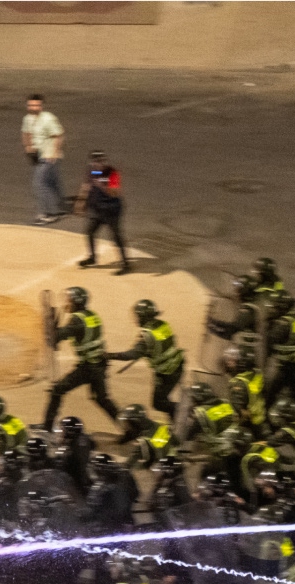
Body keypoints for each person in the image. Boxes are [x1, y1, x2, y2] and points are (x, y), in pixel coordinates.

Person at [42, 285, 120, 429]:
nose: (66, 303)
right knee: (102, 399)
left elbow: (57, 337)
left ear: (75, 303)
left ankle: (47, 427)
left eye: (68, 300)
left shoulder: (77, 320)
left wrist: (50, 325)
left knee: (57, 390)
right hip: (100, 364)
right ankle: (130, 429)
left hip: (88, 367)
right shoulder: (92, 315)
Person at [107, 299, 185, 417]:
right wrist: (149, 351)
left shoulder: (147, 336)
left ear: (143, 317)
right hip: (178, 364)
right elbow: (162, 343)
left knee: (159, 403)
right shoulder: (162, 324)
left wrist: (109, 355)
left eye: (137, 316)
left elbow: (131, 355)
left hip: (167, 372)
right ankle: (176, 419)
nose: (136, 318)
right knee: (164, 398)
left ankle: (186, 411)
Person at [75, 151, 128, 273]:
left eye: (102, 161)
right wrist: (80, 203)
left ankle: (126, 264)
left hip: (111, 210)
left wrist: (103, 186)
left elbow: (116, 192)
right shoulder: (94, 171)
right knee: (89, 232)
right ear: (93, 162)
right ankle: (92, 258)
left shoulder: (111, 173)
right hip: (97, 210)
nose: (100, 164)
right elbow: (87, 185)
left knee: (116, 236)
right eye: (97, 161)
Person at [262, 293, 295, 412]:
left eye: (276, 307)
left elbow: (272, 339)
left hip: (288, 365)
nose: (273, 309)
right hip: (294, 362)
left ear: (283, 308)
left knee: (273, 392)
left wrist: (269, 324)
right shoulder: (294, 317)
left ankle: (262, 416)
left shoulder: (283, 324)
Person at [21, 93, 65, 225]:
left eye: (36, 105)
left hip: (48, 156)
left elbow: (59, 135)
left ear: (41, 105)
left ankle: (48, 214)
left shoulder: (48, 119)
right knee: (51, 182)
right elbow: (26, 132)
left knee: (39, 184)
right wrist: (28, 146)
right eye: (31, 105)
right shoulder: (27, 119)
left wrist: (54, 153)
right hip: (37, 155)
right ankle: (58, 205)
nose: (33, 107)